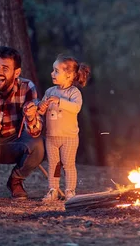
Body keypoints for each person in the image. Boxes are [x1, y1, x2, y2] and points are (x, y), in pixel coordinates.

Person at [0, 46, 45, 200]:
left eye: (5, 68)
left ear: (16, 73)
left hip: (14, 142)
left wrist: (31, 117)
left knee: (38, 146)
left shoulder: (27, 87)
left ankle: (16, 181)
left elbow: (35, 132)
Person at [39, 55, 90, 202]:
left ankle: (70, 191)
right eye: (53, 70)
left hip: (69, 137)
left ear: (69, 75)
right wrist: (41, 107)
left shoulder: (74, 93)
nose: (52, 73)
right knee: (53, 165)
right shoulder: (49, 92)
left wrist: (59, 101)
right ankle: (53, 190)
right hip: (51, 136)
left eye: (56, 71)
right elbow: (42, 111)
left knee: (68, 164)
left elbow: (76, 108)